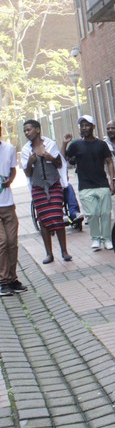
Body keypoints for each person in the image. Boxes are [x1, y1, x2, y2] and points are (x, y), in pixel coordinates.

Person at [20, 120, 72, 264]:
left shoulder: (49, 144)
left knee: (57, 215)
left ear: (37, 130)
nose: (26, 133)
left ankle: (64, 251)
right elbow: (27, 173)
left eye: (28, 129)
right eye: (24, 130)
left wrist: (50, 158)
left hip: (53, 184)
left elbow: (59, 163)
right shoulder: (26, 150)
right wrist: (31, 161)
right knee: (43, 219)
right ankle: (49, 253)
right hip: (38, 187)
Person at [62, 115, 115, 251]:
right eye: (82, 126)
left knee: (105, 213)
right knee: (91, 214)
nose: (84, 128)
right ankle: (96, 239)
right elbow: (63, 158)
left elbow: (109, 161)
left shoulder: (102, 144)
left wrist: (112, 181)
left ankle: (107, 239)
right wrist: (64, 143)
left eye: (87, 125)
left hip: (102, 184)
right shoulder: (76, 145)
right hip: (85, 186)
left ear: (93, 127)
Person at [0, 121, 24, 297]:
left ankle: (13, 278)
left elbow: (12, 170)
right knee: (1, 242)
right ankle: (3, 281)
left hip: (7, 203)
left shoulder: (8, 148)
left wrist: (10, 180)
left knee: (12, 242)